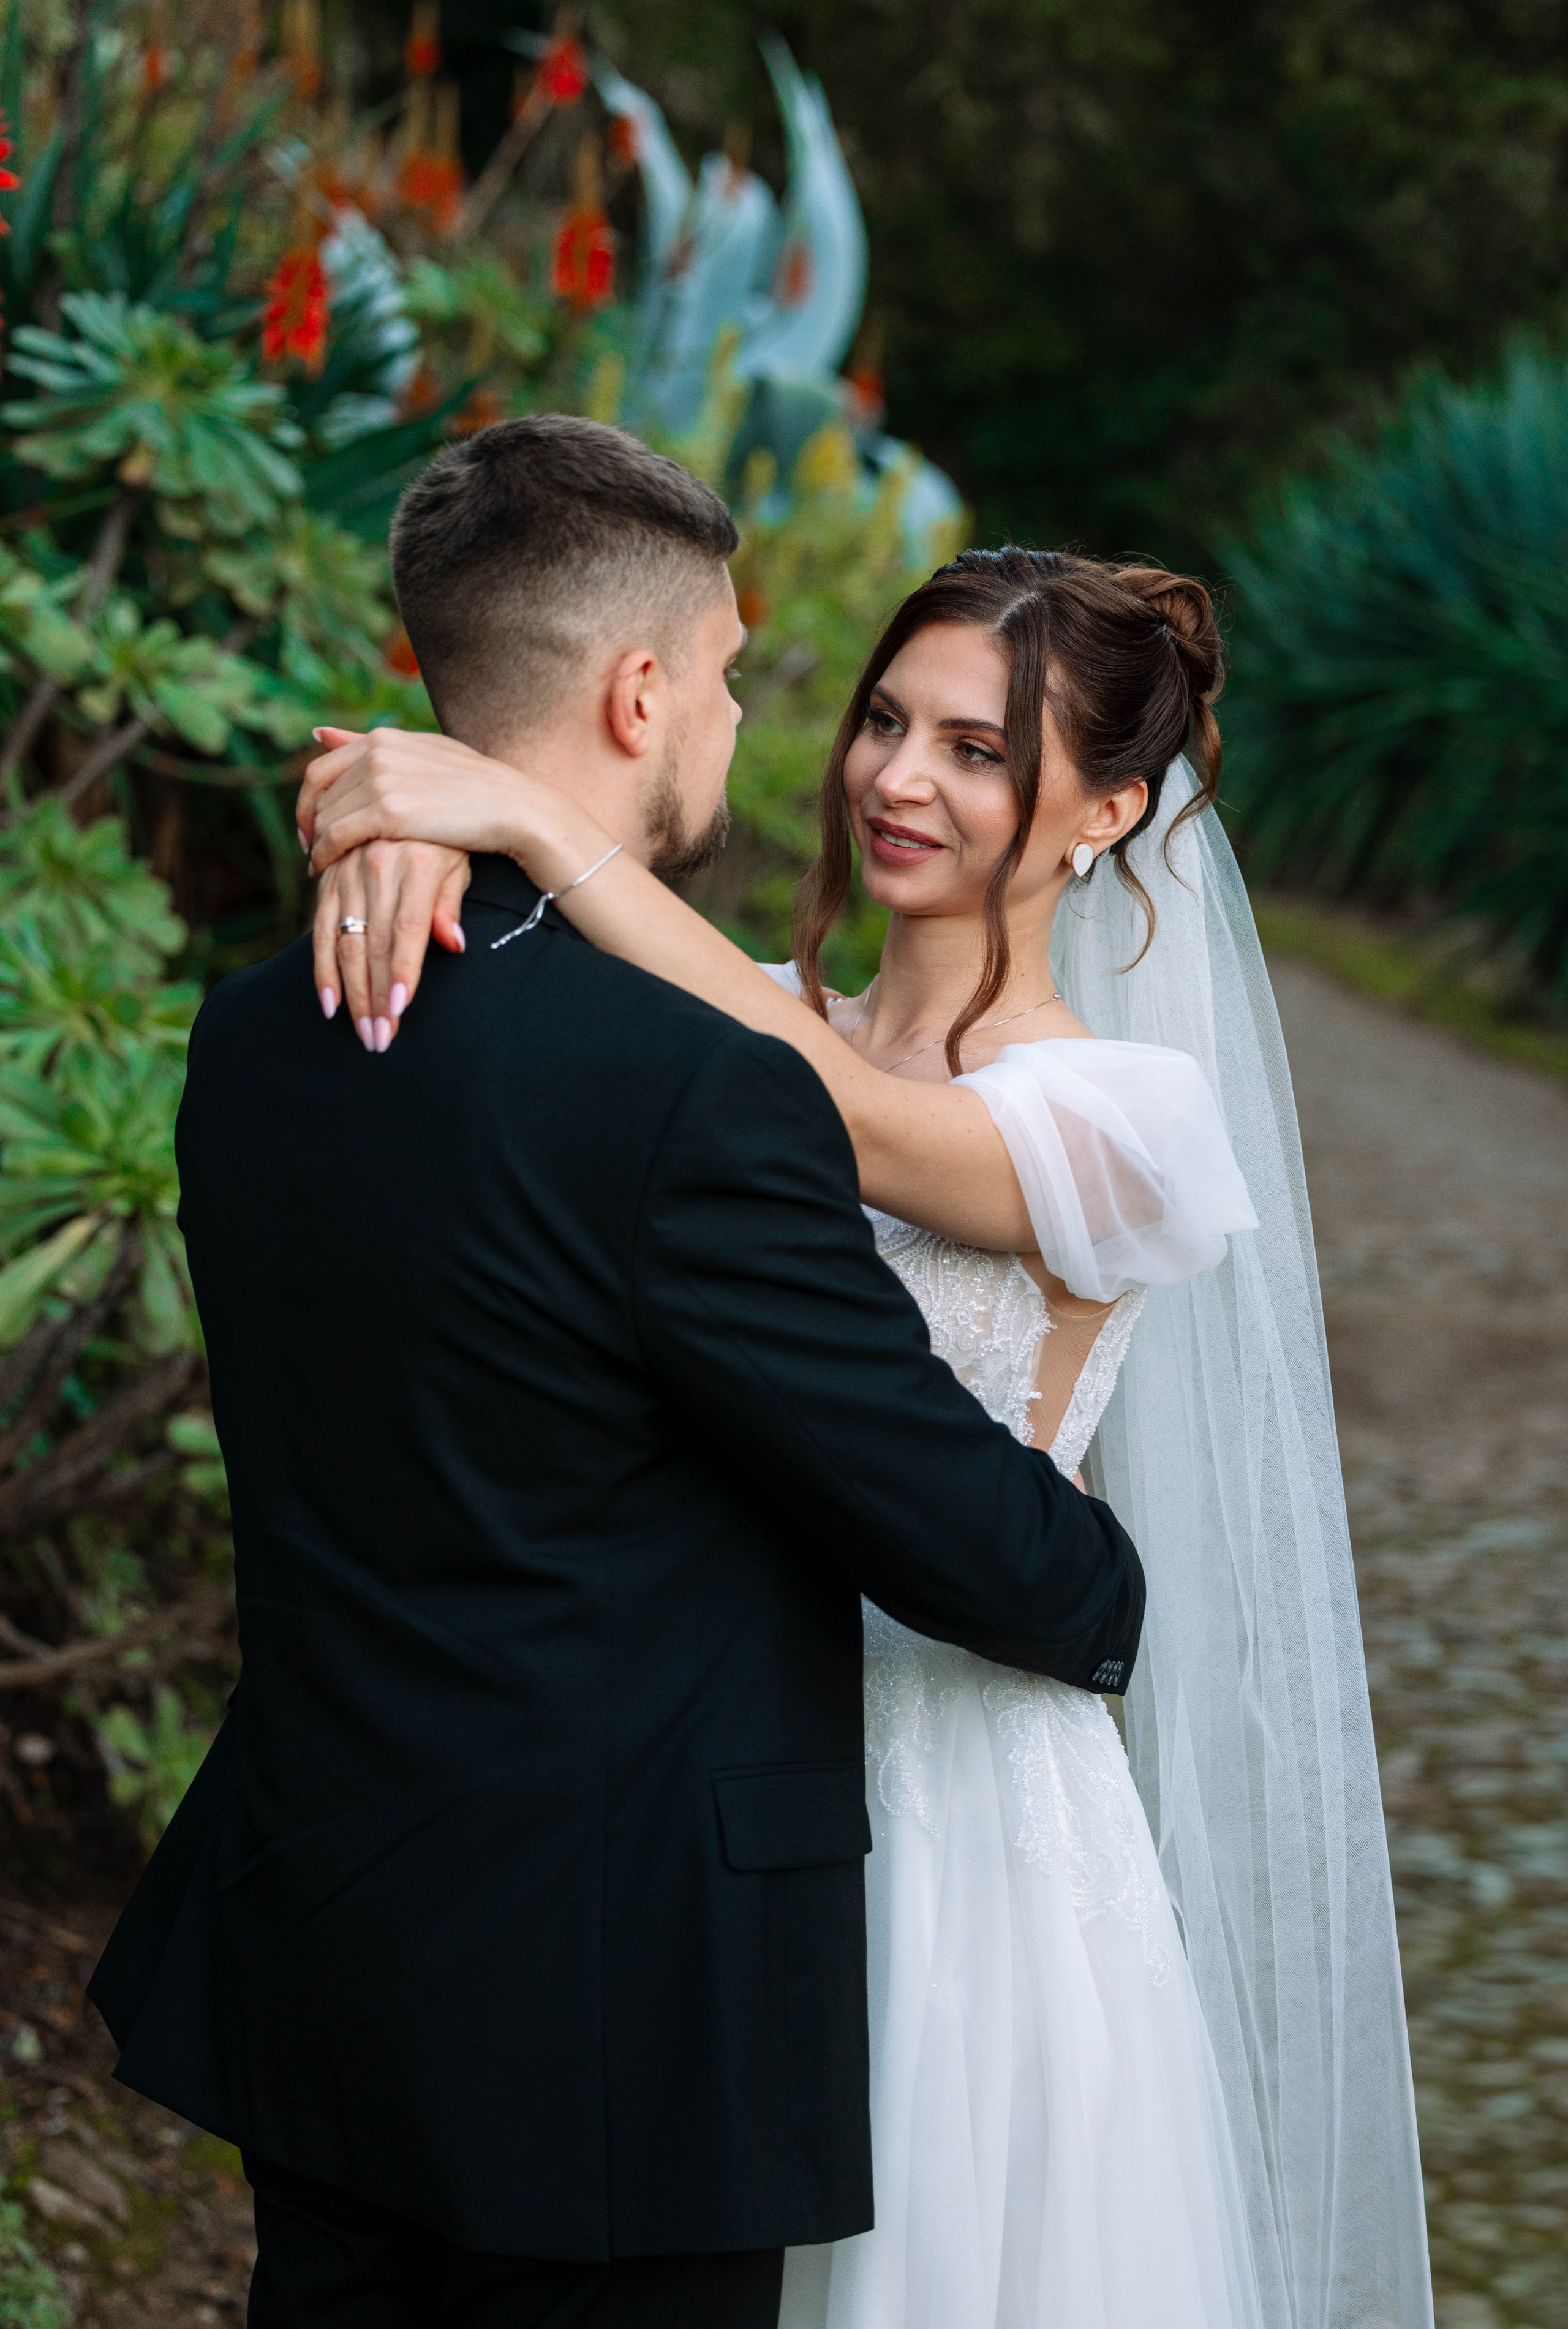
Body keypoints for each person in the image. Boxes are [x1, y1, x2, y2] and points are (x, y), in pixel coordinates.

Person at [85, 418, 1149, 2329]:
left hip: (329, 1949)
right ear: (641, 689)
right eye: (740, 682)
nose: (765, 735)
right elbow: (1014, 1568)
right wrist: (1097, 1566)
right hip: (615, 2021)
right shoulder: (699, 1094)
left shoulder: (261, 1030)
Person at [301, 538, 1434, 2329]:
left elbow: (826, 1112)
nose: (900, 778)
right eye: (886, 722)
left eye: (980, 750)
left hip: (967, 1817)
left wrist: (521, 819)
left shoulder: (1129, 1115)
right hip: (691, 1807)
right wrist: (420, 834)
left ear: (1105, 813)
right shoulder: (737, 997)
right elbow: (608, 1035)